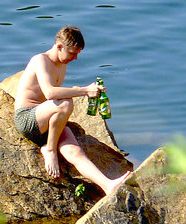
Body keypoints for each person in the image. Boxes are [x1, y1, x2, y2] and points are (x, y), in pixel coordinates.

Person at [13, 26, 132, 196]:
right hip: (28, 119)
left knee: (75, 151)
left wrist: (81, 90)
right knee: (65, 104)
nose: (75, 58)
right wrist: (84, 90)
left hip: (48, 121)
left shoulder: (61, 64)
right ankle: (50, 150)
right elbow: (50, 93)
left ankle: (108, 185)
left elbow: (53, 97)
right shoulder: (40, 60)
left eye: (77, 54)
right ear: (59, 46)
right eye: (72, 53)